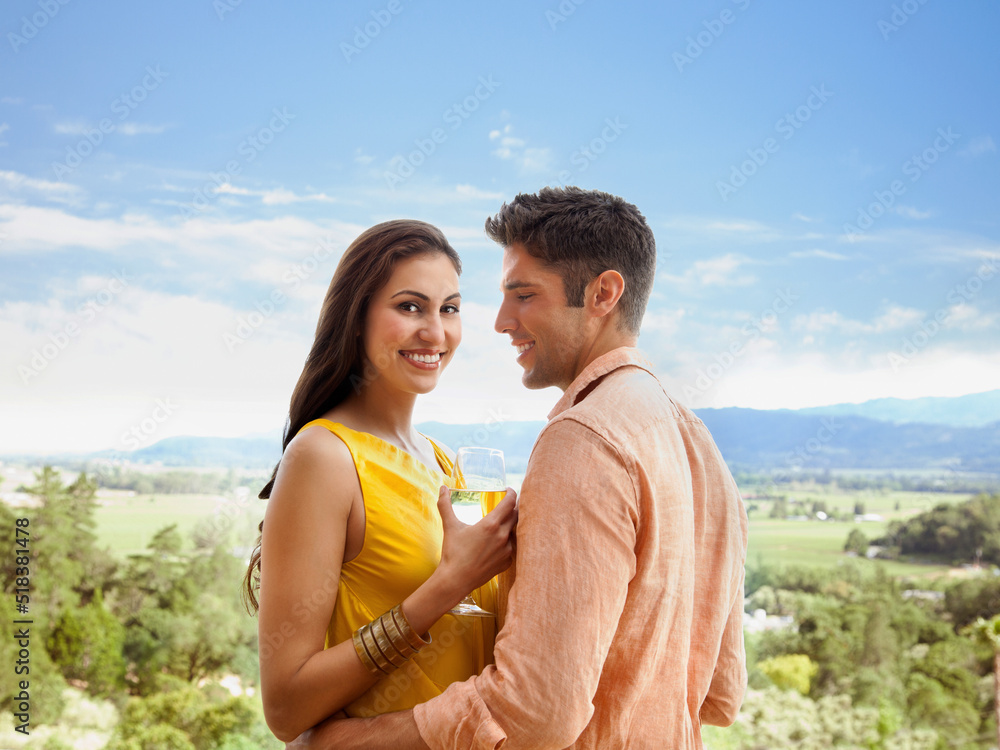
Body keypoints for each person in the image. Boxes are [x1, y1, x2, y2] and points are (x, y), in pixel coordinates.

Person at [288, 186, 749, 749]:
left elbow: (535, 711)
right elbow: (720, 691)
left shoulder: (583, 439)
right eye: (411, 306)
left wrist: (347, 744)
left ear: (603, 293)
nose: (502, 321)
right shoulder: (696, 444)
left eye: (524, 295)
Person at [242, 219, 518, 742]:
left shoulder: (443, 462)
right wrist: (449, 584)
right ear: (357, 316)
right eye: (410, 306)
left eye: (449, 309)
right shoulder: (324, 457)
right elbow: (286, 707)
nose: (435, 333)